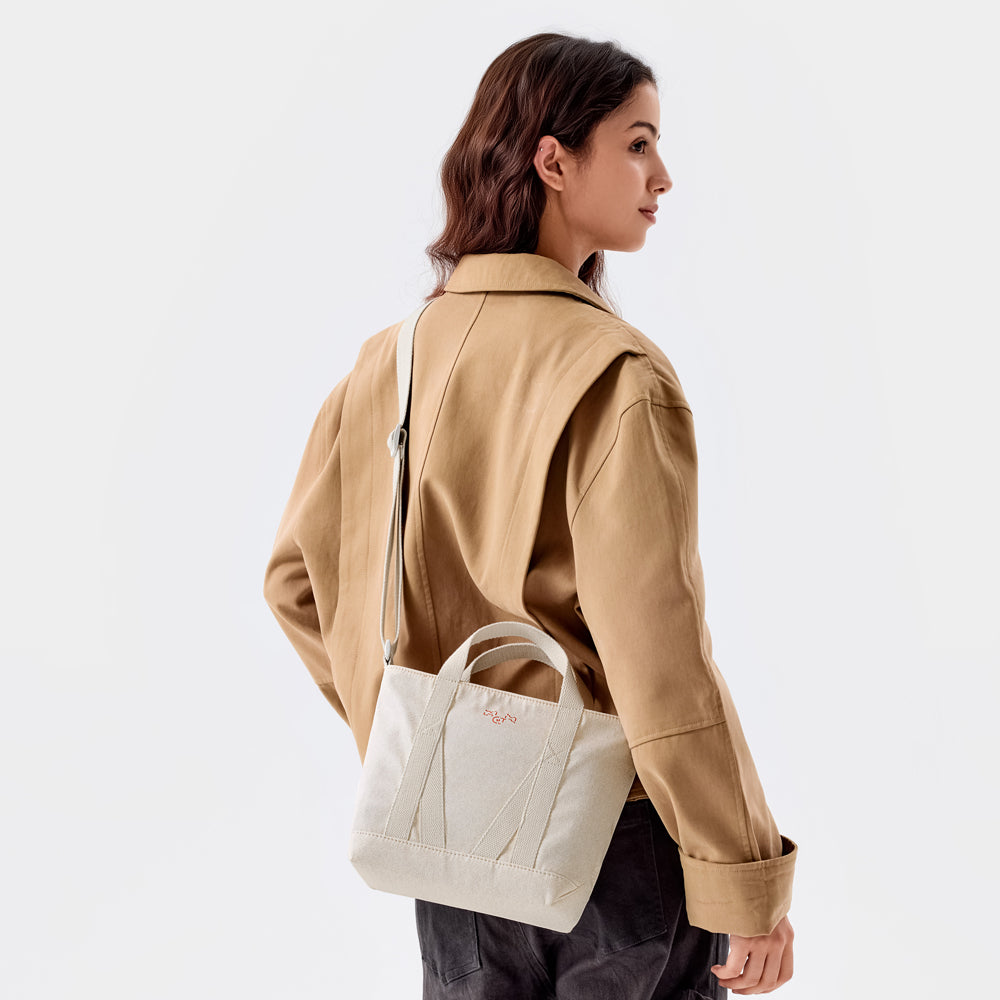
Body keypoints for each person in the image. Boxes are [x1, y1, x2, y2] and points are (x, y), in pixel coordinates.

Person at [264, 31, 797, 999]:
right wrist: (741, 873)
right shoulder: (616, 375)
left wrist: (426, 734)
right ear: (554, 160)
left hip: (453, 838)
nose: (662, 175)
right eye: (637, 143)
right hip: (615, 845)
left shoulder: (391, 361)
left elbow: (298, 582)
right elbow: (658, 657)